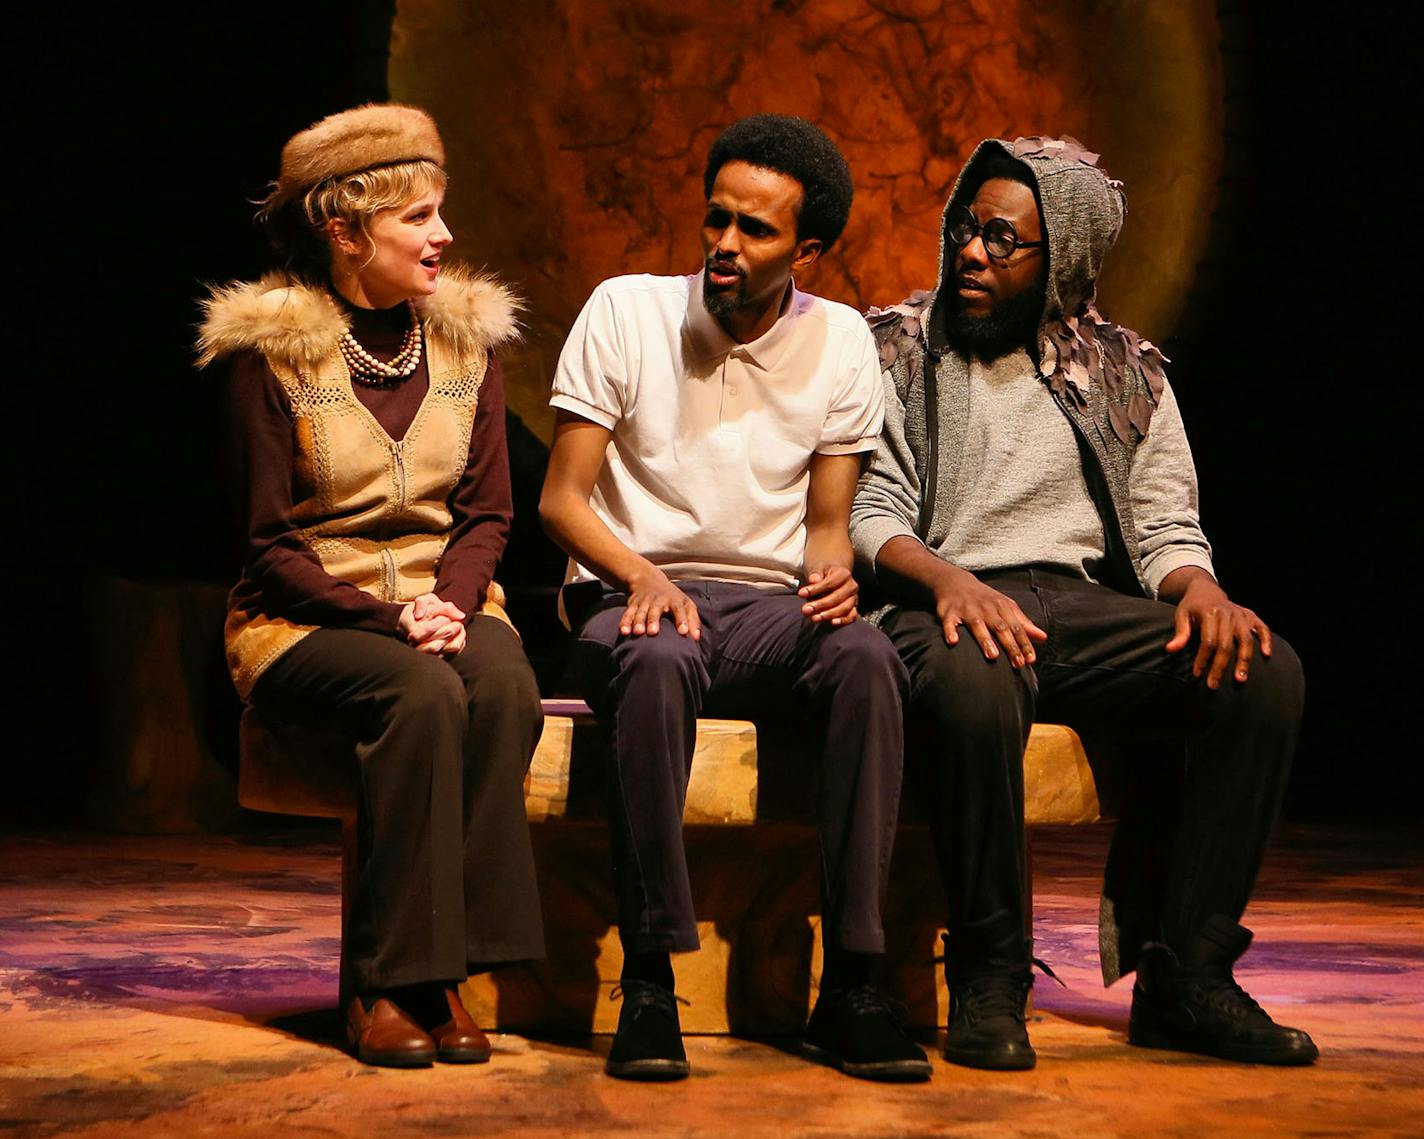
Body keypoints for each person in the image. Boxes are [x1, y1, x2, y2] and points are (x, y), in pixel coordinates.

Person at [850, 136, 1317, 1071]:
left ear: (1060, 257)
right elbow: (873, 511)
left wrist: (1204, 591)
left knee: (1262, 673)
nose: (972, 252)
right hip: (938, 596)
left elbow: (1163, 529)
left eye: (1002, 239)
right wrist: (951, 582)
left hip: (1076, 607)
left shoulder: (1123, 371)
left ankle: (1186, 972)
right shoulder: (896, 349)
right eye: (965, 230)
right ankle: (989, 973)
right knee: (976, 677)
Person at [539, 114, 929, 1083]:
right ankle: (648, 978)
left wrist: (833, 575)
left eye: (753, 231)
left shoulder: (840, 340)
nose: (723, 243)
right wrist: (643, 573)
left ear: (805, 249)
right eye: (716, 219)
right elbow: (560, 498)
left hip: (760, 607)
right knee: (659, 653)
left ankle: (851, 981)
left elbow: (826, 527)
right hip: (623, 594)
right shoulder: (624, 311)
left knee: (866, 656)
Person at [197, 104, 544, 1068]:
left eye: (441, 211)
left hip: (447, 595)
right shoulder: (270, 356)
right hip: (302, 617)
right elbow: (268, 547)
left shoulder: (467, 344)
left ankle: (446, 971)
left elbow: (487, 515)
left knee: (505, 683)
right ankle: (389, 985)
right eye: (416, 219)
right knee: (421, 688)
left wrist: (451, 603)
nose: (443, 236)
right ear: (346, 231)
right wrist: (393, 619)